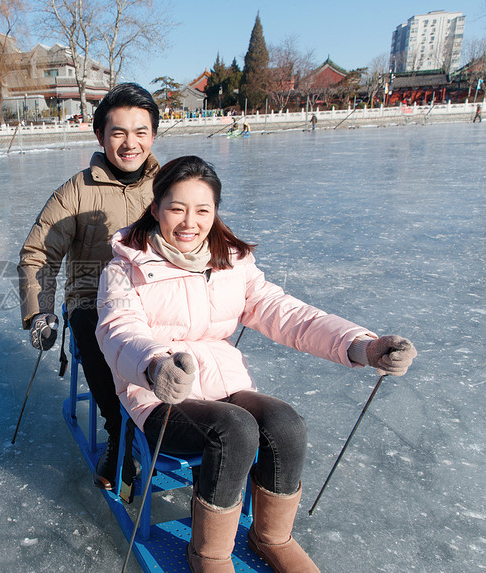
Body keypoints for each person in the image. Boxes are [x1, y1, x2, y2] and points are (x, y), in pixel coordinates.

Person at [95, 156, 417, 573]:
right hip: (157, 395)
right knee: (233, 430)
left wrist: (362, 345)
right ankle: (209, 552)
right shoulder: (124, 269)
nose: (189, 222)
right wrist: (155, 365)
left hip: (223, 384)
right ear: (156, 209)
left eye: (203, 210)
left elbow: (288, 314)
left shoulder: (230, 262)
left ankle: (271, 536)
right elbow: (119, 331)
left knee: (284, 422)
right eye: (177, 208)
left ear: (215, 213)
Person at [18, 83, 161, 491]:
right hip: (91, 297)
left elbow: (199, 235)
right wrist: (40, 311)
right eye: (118, 132)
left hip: (156, 296)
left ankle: (179, 425)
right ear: (100, 136)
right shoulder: (75, 192)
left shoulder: (168, 186)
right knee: (98, 333)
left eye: (140, 132)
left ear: (153, 135)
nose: (130, 143)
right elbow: (39, 255)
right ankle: (120, 431)